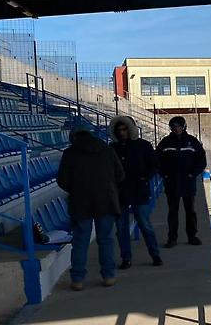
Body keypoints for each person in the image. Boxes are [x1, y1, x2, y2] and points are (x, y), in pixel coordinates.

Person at [57, 124, 125, 291]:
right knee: (106, 240)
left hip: (80, 203)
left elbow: (62, 180)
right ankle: (108, 276)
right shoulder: (107, 150)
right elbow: (120, 175)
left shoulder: (70, 153)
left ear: (74, 137)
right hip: (106, 201)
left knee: (80, 242)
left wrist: (75, 190)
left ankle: (77, 280)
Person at [109, 115, 162, 269]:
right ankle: (126, 258)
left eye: (124, 129)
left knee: (145, 225)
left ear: (130, 129)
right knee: (121, 229)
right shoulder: (112, 148)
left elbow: (154, 165)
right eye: (119, 130)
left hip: (140, 191)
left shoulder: (143, 145)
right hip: (120, 193)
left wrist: (145, 178)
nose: (122, 132)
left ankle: (155, 254)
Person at [155, 115, 207, 248]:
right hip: (171, 184)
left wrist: (192, 174)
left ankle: (192, 236)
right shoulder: (165, 142)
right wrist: (164, 175)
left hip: (188, 183)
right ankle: (172, 238)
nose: (176, 129)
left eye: (178, 126)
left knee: (190, 211)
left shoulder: (192, 141)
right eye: (173, 127)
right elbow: (157, 160)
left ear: (184, 127)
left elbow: (201, 160)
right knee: (173, 212)